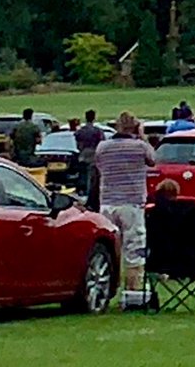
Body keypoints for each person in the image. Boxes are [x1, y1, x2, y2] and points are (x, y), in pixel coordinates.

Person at [95, 111, 155, 301]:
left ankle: (107, 284)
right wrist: (143, 136)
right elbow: (153, 160)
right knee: (134, 246)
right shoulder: (139, 146)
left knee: (109, 247)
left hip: (107, 202)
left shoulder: (102, 147)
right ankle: (133, 288)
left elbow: (98, 166)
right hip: (132, 202)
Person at [74, 109, 103, 202]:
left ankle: (81, 191)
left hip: (83, 155)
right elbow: (101, 143)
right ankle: (88, 193)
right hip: (93, 155)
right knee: (91, 176)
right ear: (94, 118)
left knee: (82, 174)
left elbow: (77, 142)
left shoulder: (81, 131)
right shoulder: (97, 131)